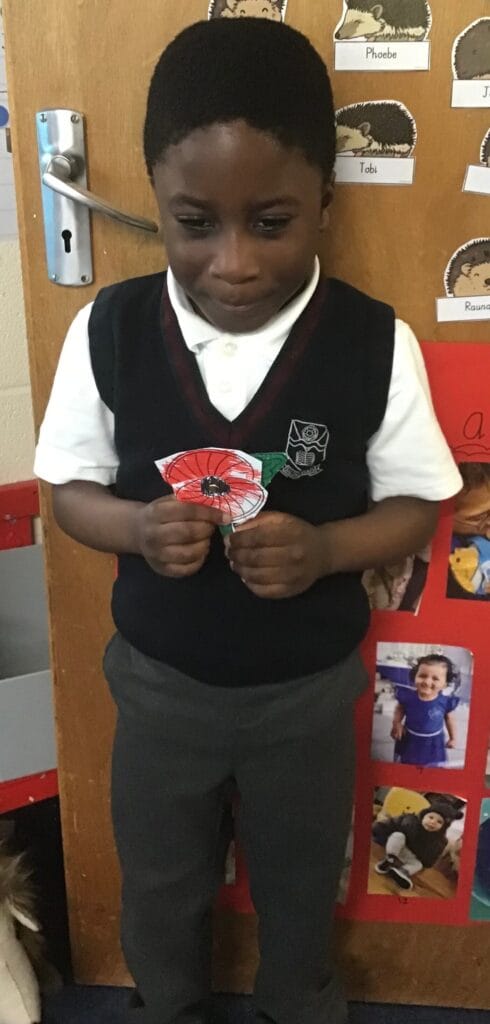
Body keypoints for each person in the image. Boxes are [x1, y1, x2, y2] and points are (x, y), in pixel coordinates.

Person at [34, 17, 462, 1024]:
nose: (231, 262)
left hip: (305, 701)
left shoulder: (369, 342)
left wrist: (326, 549)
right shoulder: (110, 331)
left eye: (269, 222)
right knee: (161, 881)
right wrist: (136, 529)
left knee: (301, 882)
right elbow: (66, 492)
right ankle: (167, 1003)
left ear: (322, 200)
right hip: (160, 690)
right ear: (156, 200)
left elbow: (412, 507)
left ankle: (298, 1006)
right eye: (195, 223)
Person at [390, 655, 459, 767]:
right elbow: (400, 708)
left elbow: (449, 719)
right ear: (414, 676)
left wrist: (453, 738)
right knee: (407, 765)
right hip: (410, 739)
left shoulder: (445, 702)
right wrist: (396, 723)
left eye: (435, 678)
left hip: (434, 742)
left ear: (445, 684)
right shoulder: (408, 697)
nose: (427, 681)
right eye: (422, 676)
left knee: (432, 767)